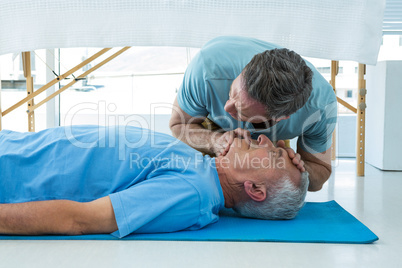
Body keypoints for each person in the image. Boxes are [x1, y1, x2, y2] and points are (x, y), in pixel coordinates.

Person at [0, 125, 308, 237]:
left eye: (276, 157)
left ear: (254, 189)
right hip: (15, 146)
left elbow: (80, 220)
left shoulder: (194, 194)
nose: (268, 141)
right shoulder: (204, 169)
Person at [169, 36, 337, 192]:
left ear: (282, 117)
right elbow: (178, 125)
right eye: (231, 93)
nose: (227, 108)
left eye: (240, 110)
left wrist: (296, 168)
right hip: (207, 126)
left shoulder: (320, 109)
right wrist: (214, 141)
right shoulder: (206, 69)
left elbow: (319, 174)